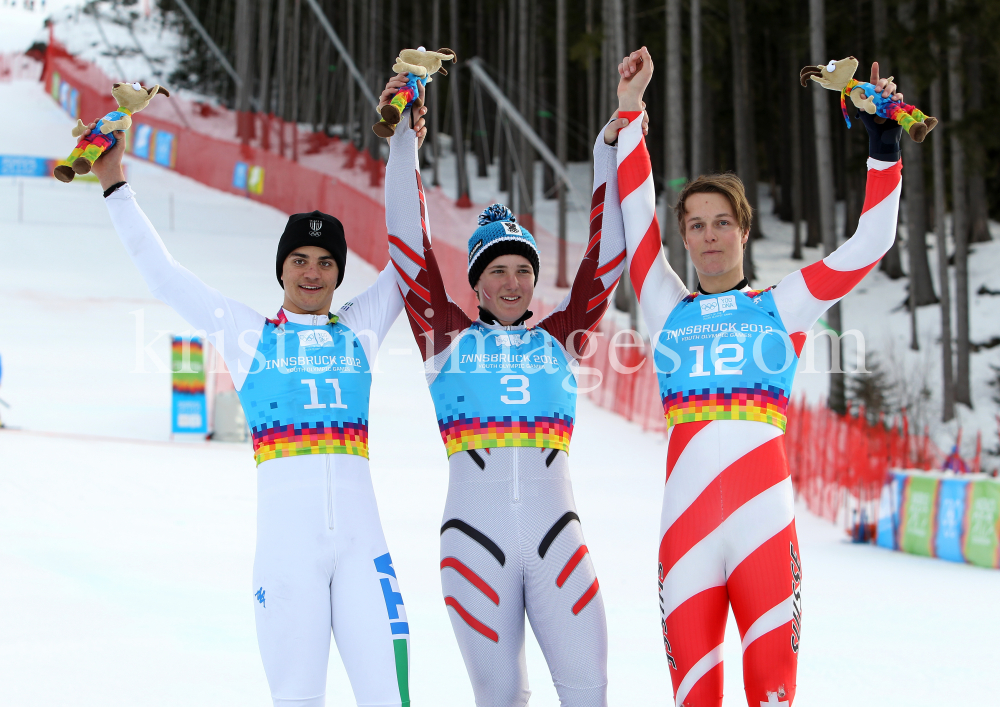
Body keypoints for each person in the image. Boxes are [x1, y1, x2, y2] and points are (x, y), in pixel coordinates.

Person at [84, 106, 429, 707]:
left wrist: (405, 146)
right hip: (287, 555)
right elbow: (166, 278)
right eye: (300, 260)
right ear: (282, 269)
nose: (314, 273)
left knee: (390, 698)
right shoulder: (250, 337)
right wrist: (116, 186)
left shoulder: (360, 329)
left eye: (326, 263)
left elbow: (410, 261)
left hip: (364, 552)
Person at [615, 49, 904, 706]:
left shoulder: (782, 303)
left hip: (765, 531)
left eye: (722, 222)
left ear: (743, 230)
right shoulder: (664, 306)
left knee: (772, 693)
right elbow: (636, 222)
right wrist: (630, 113)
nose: (709, 236)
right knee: (695, 697)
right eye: (696, 225)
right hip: (684, 533)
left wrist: (883, 146)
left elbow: (871, 243)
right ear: (683, 239)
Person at [378, 62, 648, 706]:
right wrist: (402, 142)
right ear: (475, 283)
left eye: (521, 270)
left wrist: (609, 145)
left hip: (560, 539)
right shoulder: (445, 337)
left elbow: (606, 256)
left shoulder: (561, 334)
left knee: (589, 693)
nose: (510, 282)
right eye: (495, 271)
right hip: (474, 542)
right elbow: (407, 244)